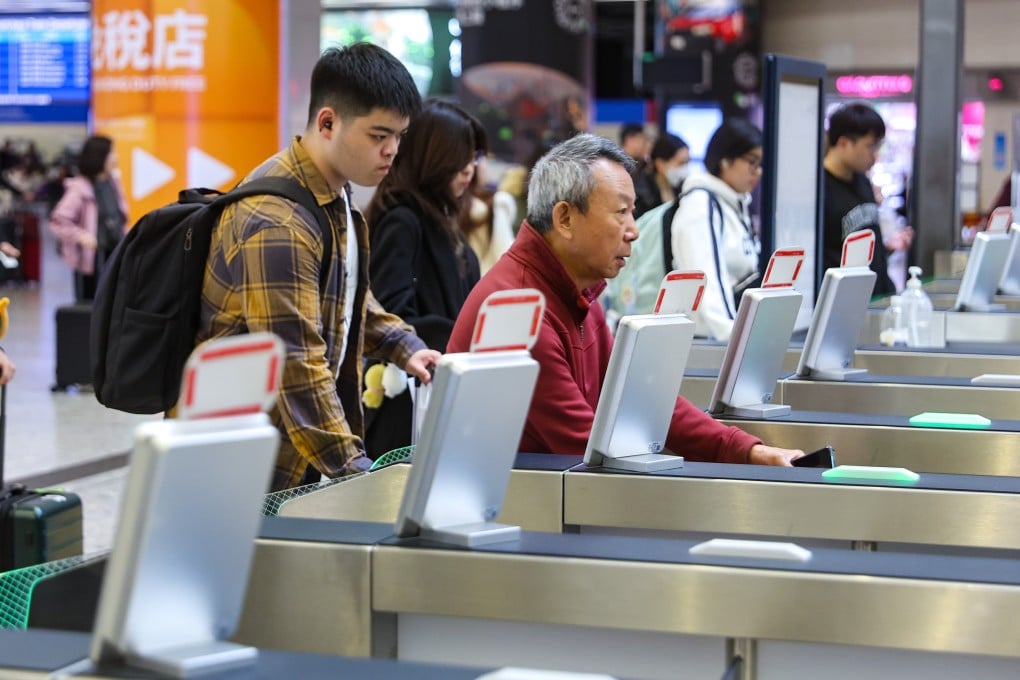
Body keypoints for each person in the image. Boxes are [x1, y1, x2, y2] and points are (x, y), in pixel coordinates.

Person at [447, 133, 803, 466]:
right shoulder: (521, 311)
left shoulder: (578, 292)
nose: (633, 230)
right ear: (565, 218)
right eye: (621, 212)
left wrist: (749, 450)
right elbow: (588, 448)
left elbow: (642, 399)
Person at [196, 43, 441, 491]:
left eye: (400, 137)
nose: (392, 151)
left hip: (290, 451)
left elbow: (344, 293)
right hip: (243, 467)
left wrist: (402, 345)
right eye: (378, 135)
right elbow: (296, 360)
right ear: (328, 122)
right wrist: (354, 470)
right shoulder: (277, 220)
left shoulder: (332, 194)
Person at [363, 99, 485, 457]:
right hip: (407, 404)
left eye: (474, 157)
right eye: (460, 156)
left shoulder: (440, 219)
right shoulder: (403, 218)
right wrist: (464, 338)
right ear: (431, 155)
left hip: (434, 391)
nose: (469, 169)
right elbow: (390, 314)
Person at [670, 118, 762, 341]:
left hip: (725, 339)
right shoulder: (701, 206)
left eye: (760, 164)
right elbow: (708, 283)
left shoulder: (733, 204)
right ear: (725, 160)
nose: (757, 172)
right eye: (752, 162)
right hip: (710, 344)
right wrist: (736, 341)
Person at [823, 102, 913, 296]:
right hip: (844, 302)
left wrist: (886, 248)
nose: (875, 155)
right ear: (844, 143)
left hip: (877, 294)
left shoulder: (863, 182)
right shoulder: (821, 191)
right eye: (870, 147)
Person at [48, 136, 129, 302]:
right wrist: (82, 236)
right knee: (91, 309)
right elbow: (58, 221)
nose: (115, 158)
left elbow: (120, 217)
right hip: (92, 264)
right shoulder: (80, 188)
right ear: (99, 157)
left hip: (115, 257)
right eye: (111, 153)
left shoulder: (113, 183)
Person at [633, 132, 690, 218]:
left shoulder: (681, 188)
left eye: (688, 162)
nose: (685, 168)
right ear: (660, 164)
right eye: (681, 163)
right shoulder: (642, 194)